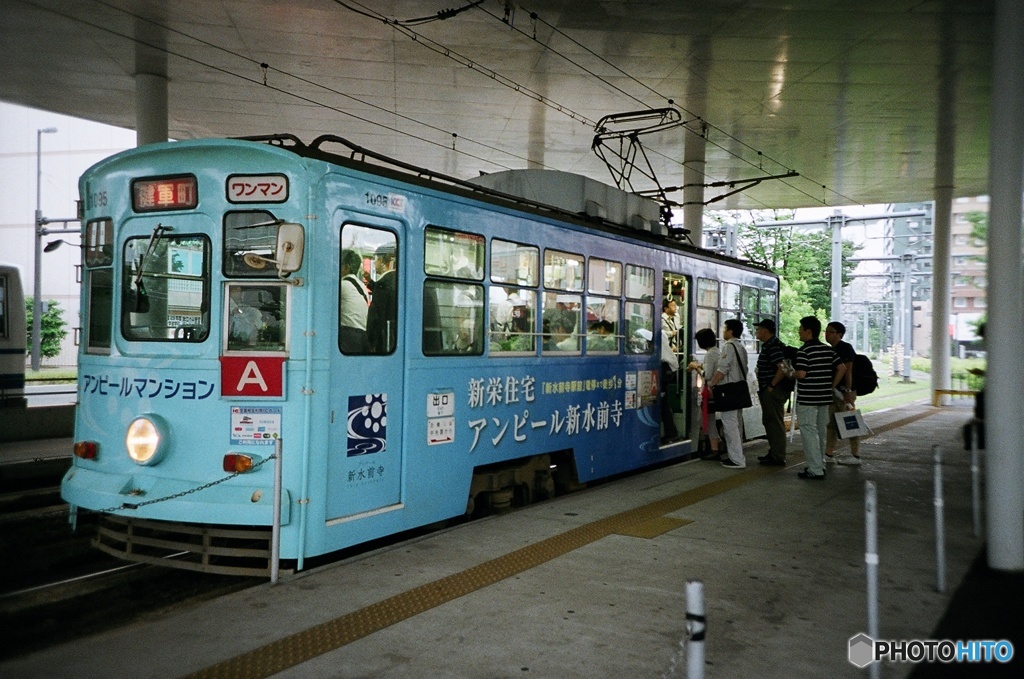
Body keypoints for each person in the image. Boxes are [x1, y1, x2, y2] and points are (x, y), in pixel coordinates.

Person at [793, 316, 844, 480]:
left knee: (808, 431)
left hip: (808, 398)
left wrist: (790, 373)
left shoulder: (804, 351)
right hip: (824, 397)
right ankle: (820, 464)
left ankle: (815, 469)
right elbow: (841, 368)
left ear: (808, 331)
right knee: (821, 432)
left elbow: (801, 373)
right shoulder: (828, 350)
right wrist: (831, 386)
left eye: (800, 329)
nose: (799, 332)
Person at [707, 318, 748, 469]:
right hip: (739, 389)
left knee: (729, 424)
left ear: (730, 332)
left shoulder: (728, 347)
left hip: (729, 390)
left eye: (724, 329)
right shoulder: (740, 347)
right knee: (737, 424)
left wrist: (712, 384)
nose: (723, 332)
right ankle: (738, 455)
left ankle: (737, 459)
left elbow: (723, 369)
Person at [824, 321, 861, 465]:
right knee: (831, 423)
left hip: (844, 391)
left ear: (839, 334)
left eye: (830, 332)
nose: (827, 334)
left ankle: (855, 454)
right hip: (833, 392)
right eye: (826, 331)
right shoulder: (830, 349)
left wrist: (848, 390)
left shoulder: (845, 348)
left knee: (850, 421)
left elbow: (848, 370)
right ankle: (829, 453)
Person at [754, 318, 790, 466]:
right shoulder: (770, 345)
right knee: (770, 421)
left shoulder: (773, 347)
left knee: (774, 422)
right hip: (771, 389)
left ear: (766, 331)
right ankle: (774, 451)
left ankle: (778, 455)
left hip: (773, 391)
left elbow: (782, 367)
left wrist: (771, 385)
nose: (756, 332)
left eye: (758, 329)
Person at [689, 327, 722, 460]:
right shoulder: (717, 352)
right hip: (715, 391)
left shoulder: (710, 354)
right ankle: (717, 444)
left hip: (709, 392)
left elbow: (706, 375)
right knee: (709, 419)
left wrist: (696, 367)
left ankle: (715, 449)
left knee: (707, 420)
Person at [366, 241, 398, 353]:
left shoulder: (382, 284)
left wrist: (370, 341)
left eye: (376, 260)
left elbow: (375, 317)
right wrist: (371, 283)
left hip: (383, 341)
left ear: (383, 262)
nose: (374, 263)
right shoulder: (396, 280)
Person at [339, 249, 370, 353]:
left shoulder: (343, 285)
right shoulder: (361, 286)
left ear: (346, 267)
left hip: (348, 336)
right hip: (362, 336)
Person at [660, 324, 680, 444]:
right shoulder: (661, 332)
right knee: (663, 402)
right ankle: (670, 432)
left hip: (665, 368)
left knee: (663, 403)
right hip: (668, 368)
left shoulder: (656, 333)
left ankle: (672, 433)